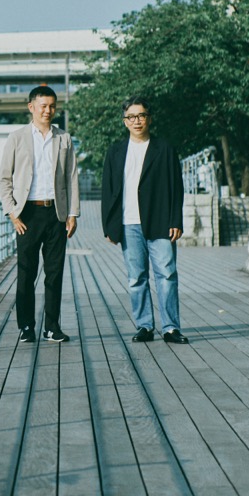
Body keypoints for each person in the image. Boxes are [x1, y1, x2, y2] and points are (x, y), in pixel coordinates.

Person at [100, 96, 189, 344]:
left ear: (149, 118)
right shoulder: (116, 152)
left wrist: (176, 220)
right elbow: (108, 190)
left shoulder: (164, 149)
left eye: (141, 116)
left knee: (167, 275)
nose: (136, 121)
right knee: (136, 278)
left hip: (160, 221)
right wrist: (109, 225)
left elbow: (176, 187)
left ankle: (170, 328)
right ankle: (144, 326)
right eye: (131, 117)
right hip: (128, 223)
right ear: (124, 121)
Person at [0, 85, 80, 343]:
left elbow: (71, 178)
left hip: (56, 213)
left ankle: (52, 327)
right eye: (43, 106)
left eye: (52, 106)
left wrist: (73, 214)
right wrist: (12, 212)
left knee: (54, 273)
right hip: (27, 215)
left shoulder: (64, 138)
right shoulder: (17, 137)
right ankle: (26, 326)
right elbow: (4, 178)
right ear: (31, 107)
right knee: (26, 272)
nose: (48, 110)